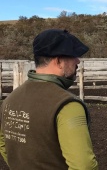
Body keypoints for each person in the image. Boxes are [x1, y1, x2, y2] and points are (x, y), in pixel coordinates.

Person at [0, 29, 98, 169]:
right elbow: (84, 166)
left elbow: (3, 143)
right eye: (73, 56)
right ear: (58, 61)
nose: (78, 61)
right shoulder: (67, 105)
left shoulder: (10, 99)